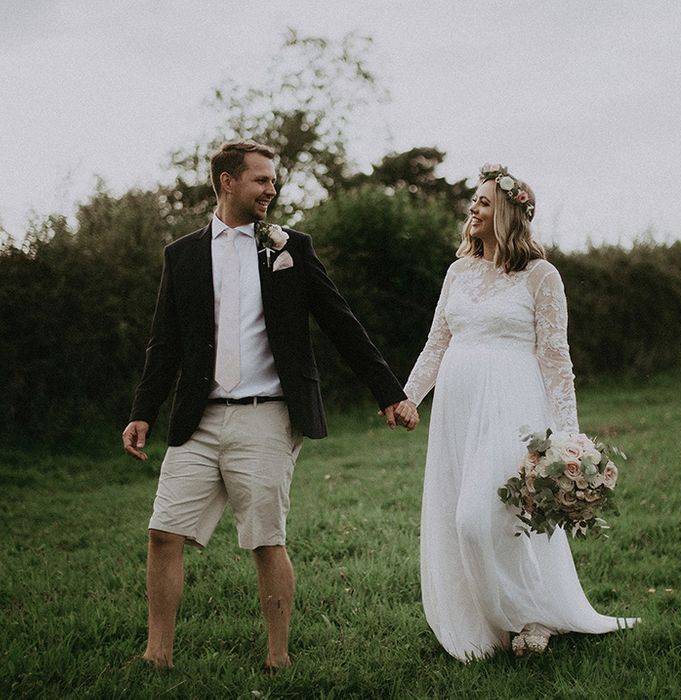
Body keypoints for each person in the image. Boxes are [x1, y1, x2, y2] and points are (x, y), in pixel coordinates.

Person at [122, 140, 414, 671]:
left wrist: (389, 392)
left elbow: (340, 322)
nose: (272, 190)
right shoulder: (182, 255)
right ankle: (156, 655)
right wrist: (143, 409)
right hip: (198, 418)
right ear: (227, 182)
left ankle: (278, 657)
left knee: (264, 540)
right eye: (261, 180)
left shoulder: (290, 248)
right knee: (163, 532)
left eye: (273, 181)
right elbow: (163, 343)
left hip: (267, 415)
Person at [393, 163, 637, 661]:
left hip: (513, 409)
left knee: (480, 520)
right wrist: (408, 396)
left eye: (483, 202)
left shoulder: (541, 277)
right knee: (474, 518)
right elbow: (437, 342)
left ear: (508, 211)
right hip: (458, 413)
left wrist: (569, 436)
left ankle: (531, 615)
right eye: (473, 202)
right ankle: (492, 620)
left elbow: (555, 356)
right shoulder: (458, 271)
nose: (472, 209)